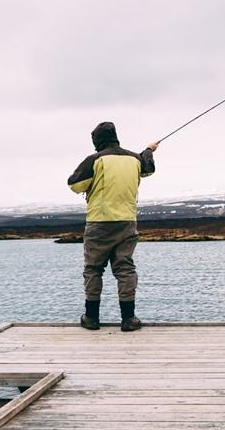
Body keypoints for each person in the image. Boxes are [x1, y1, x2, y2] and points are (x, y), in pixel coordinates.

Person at [67, 122, 158, 332]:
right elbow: (148, 169)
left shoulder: (95, 160)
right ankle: (128, 319)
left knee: (93, 269)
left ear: (97, 141)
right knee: (125, 269)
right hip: (127, 222)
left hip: (99, 222)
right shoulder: (134, 159)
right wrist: (148, 151)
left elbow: (74, 184)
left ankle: (91, 318)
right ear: (115, 136)